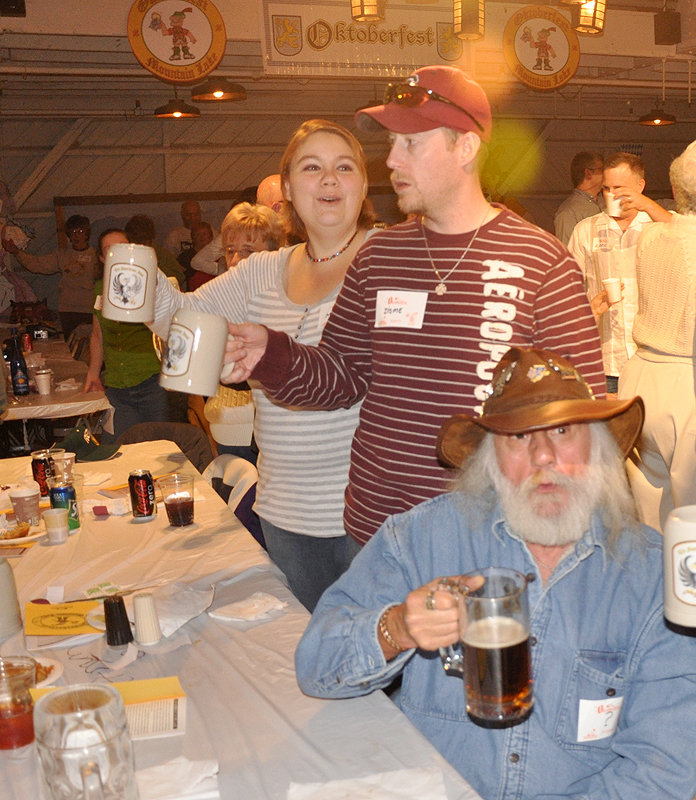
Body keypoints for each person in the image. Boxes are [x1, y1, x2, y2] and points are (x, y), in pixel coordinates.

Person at [295, 346, 696, 800]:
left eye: (563, 430)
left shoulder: (657, 577)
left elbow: (662, 768)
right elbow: (315, 665)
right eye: (518, 437)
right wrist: (396, 628)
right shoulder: (422, 538)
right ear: (490, 459)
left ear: (601, 448)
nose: (542, 455)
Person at [224, 65, 605, 548]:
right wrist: (270, 353)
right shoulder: (379, 257)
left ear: (465, 147)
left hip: (489, 537)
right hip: (380, 533)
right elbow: (340, 373)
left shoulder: (541, 262)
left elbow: (580, 418)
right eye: (391, 145)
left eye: (411, 144)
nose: (392, 162)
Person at [148, 120, 373, 612]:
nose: (330, 179)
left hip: (372, 518)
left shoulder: (388, 261)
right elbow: (181, 317)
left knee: (384, 673)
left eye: (344, 166)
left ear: (364, 183)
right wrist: (143, 278)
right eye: (312, 167)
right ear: (288, 189)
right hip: (286, 513)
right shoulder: (261, 271)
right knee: (308, 664)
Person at [619, 138, 696, 530]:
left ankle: (649, 592)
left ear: (675, 190)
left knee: (645, 517)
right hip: (694, 383)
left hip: (638, 378)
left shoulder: (651, 237)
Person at [568, 152, 671, 394]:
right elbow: (568, 294)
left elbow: (688, 237)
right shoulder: (586, 230)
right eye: (606, 189)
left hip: (651, 359)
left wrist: (646, 205)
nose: (612, 196)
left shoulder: (658, 225)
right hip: (605, 359)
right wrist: (589, 306)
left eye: (619, 189)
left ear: (640, 186)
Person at [200, 203, 286, 465]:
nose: (236, 260)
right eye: (230, 251)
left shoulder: (288, 300)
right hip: (245, 431)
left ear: (274, 253)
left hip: (288, 437)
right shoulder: (225, 297)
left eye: (248, 251)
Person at [85, 228, 172, 439]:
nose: (119, 252)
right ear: (102, 258)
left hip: (151, 382)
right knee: (117, 448)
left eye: (123, 247)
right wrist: (93, 373)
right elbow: (98, 334)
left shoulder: (151, 285)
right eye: (110, 250)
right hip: (117, 386)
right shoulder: (99, 288)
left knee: (158, 447)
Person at [2, 214, 99, 335]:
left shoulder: (96, 256)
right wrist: (16, 252)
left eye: (80, 231)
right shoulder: (62, 254)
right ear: (68, 234)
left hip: (89, 310)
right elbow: (38, 264)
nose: (76, 235)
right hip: (68, 310)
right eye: (73, 232)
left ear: (86, 234)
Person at [553, 151, 604, 245]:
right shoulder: (568, 213)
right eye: (602, 169)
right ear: (588, 173)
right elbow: (567, 254)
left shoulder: (607, 201)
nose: (606, 173)